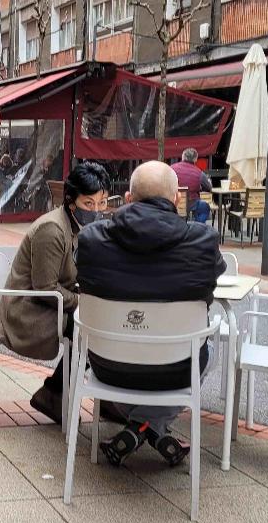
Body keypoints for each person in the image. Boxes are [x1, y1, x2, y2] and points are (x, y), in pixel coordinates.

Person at [76, 161, 224, 467]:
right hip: (177, 368)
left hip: (108, 365)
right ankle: (150, 426)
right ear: (177, 199)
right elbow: (212, 284)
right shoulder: (203, 241)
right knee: (210, 344)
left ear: (128, 198)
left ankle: (140, 427)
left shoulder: (91, 240)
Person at [0, 163, 109, 423]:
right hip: (28, 309)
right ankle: (55, 393)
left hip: (48, 303)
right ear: (71, 201)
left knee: (101, 325)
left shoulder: (74, 226)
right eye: (88, 203)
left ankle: (102, 397)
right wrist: (82, 302)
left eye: (101, 203)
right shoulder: (53, 229)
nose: (96, 210)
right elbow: (45, 288)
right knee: (92, 329)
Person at [170, 148, 212, 223]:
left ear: (182, 156)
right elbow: (209, 188)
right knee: (204, 207)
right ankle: (198, 226)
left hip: (173, 202)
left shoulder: (171, 169)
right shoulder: (199, 173)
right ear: (195, 159)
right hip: (191, 203)